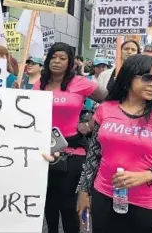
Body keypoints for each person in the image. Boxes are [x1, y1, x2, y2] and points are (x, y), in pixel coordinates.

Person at [76, 54, 152, 233]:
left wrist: (148, 175)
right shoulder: (106, 109)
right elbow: (93, 155)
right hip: (103, 195)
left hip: (144, 204)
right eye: (147, 78)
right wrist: (84, 191)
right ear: (129, 78)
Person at [34, 42, 107, 233]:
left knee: (68, 207)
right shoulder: (38, 84)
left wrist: (90, 124)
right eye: (53, 57)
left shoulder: (80, 83)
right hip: (44, 153)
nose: (56, 61)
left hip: (73, 152)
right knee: (48, 205)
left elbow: (109, 102)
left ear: (70, 62)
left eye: (62, 58)